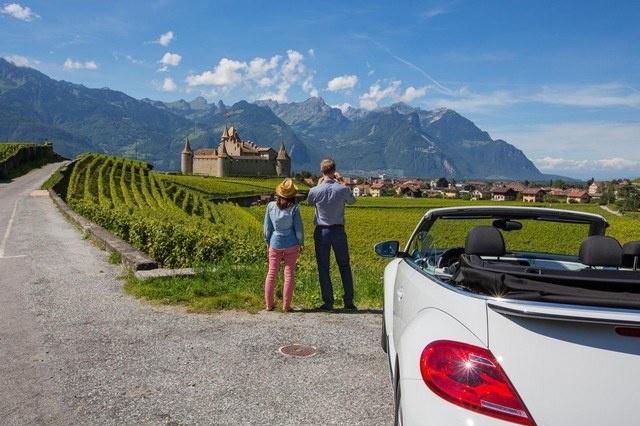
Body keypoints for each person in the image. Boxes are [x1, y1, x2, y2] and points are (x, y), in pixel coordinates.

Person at [306, 158, 357, 311]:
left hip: (322, 231)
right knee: (344, 266)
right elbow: (353, 201)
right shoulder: (342, 189)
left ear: (322, 171)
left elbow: (309, 202)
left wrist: (318, 185)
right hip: (339, 231)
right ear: (335, 172)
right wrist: (342, 183)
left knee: (323, 267)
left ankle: (328, 302)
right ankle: (348, 301)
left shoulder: (315, 190)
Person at [263, 178, 305, 312]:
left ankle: (269, 304)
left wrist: (267, 241)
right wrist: (301, 243)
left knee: (271, 273)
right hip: (291, 244)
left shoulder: (270, 206)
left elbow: (267, 228)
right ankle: (286, 305)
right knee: (289, 274)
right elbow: (299, 229)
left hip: (275, 243)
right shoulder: (294, 208)